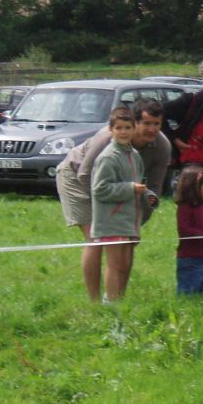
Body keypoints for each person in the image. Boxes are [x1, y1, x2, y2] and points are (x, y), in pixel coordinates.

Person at [56, 98, 171, 302]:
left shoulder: (162, 146)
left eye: (157, 124)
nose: (152, 129)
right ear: (135, 122)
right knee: (96, 238)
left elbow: (153, 188)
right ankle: (95, 302)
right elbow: (85, 175)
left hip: (118, 187)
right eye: (146, 123)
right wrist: (106, 216)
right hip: (77, 177)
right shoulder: (109, 139)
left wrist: (134, 225)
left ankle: (117, 299)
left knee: (126, 240)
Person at [90, 106, 150, 303]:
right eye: (119, 128)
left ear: (134, 129)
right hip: (111, 220)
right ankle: (111, 303)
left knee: (125, 264)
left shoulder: (134, 155)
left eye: (127, 127)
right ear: (111, 130)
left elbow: (139, 184)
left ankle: (119, 301)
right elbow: (100, 189)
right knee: (115, 264)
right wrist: (130, 188)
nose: (123, 132)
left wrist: (146, 195)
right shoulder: (108, 157)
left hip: (129, 219)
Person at [174, 164, 203, 294]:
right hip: (191, 258)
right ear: (195, 187)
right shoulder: (185, 207)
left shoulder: (202, 206)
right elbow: (184, 230)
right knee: (189, 291)